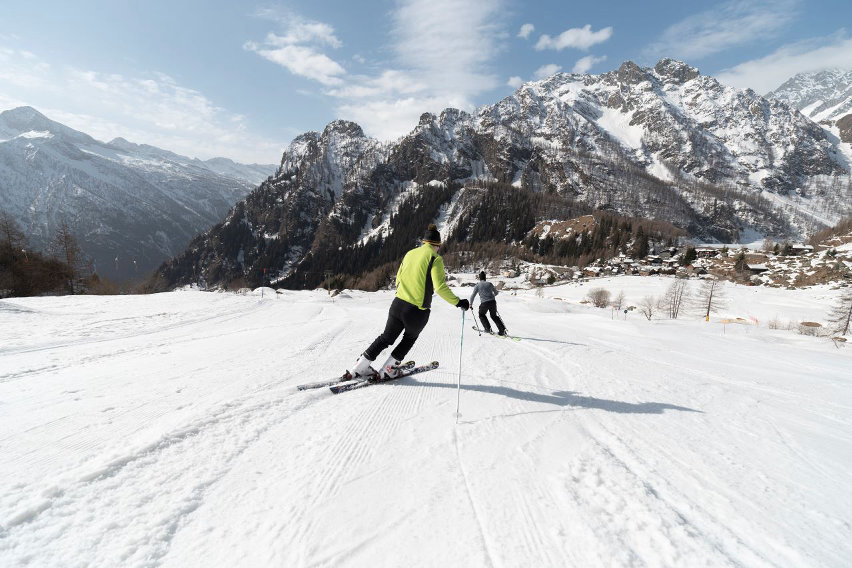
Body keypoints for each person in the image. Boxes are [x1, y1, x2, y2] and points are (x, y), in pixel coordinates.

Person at [351, 224, 469, 379]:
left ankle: (359, 367)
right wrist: (458, 302)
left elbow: (398, 279)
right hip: (416, 311)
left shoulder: (410, 253)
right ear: (437, 245)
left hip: (398, 304)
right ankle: (388, 369)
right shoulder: (435, 258)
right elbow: (440, 287)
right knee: (409, 338)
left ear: (424, 242)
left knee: (386, 338)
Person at [470, 270, 506, 335]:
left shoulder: (477, 285)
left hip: (484, 303)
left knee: (481, 314)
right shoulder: (490, 284)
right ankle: (502, 330)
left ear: (480, 278)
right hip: (493, 302)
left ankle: (488, 329)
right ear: (485, 278)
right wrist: (492, 296)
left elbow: (473, 295)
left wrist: (470, 304)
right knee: (494, 316)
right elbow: (496, 293)